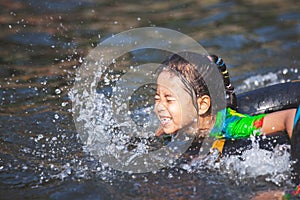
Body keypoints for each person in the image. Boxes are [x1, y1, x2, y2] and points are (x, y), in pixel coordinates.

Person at [153, 52, 300, 198]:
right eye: (157, 98)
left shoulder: (232, 126)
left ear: (202, 105)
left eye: (169, 100)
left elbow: (290, 117)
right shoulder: (180, 125)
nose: (159, 107)